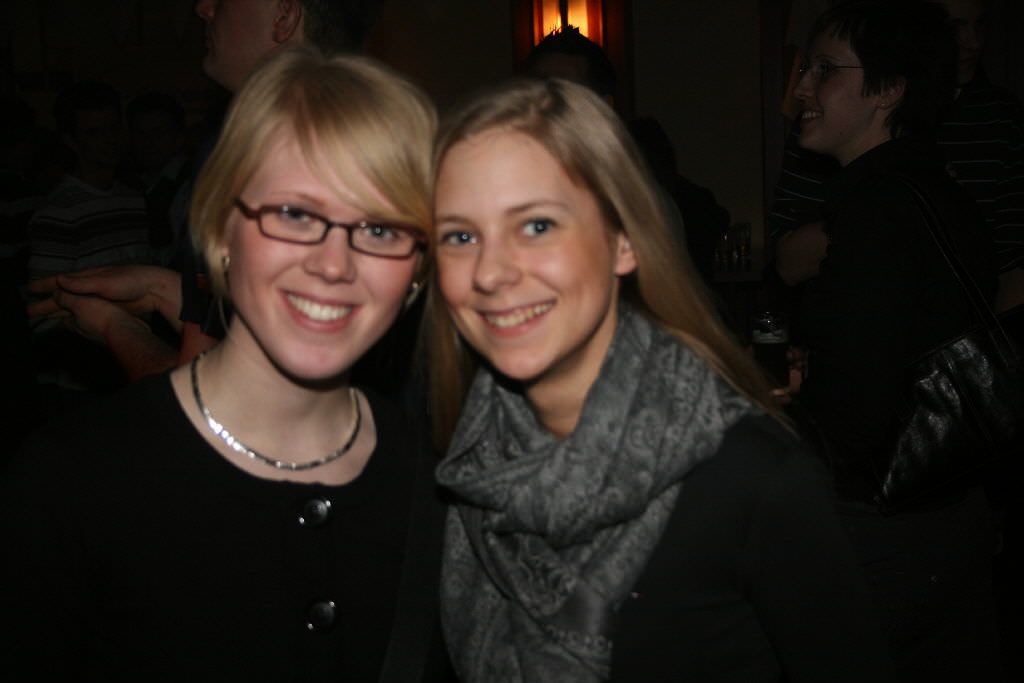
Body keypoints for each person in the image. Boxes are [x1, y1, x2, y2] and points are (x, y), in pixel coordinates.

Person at [0, 47, 450, 682]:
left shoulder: (440, 485)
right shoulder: (72, 482)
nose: (333, 264)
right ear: (219, 229)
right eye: (294, 213)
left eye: (381, 229)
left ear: (417, 272)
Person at [425, 77, 895, 682]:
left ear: (624, 242)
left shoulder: (753, 479)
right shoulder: (460, 462)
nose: (490, 273)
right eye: (461, 236)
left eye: (537, 225)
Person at [787, 1, 1002, 679]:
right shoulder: (932, 189)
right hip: (953, 503)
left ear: (888, 90)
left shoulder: (877, 208)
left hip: (888, 519)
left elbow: (856, 409)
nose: (802, 87)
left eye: (825, 70)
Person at [27, 0, 382, 380]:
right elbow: (254, 324)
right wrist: (159, 288)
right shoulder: (350, 133)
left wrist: (116, 327)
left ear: (284, 16)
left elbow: (226, 390)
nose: (203, 8)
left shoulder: (287, 151)